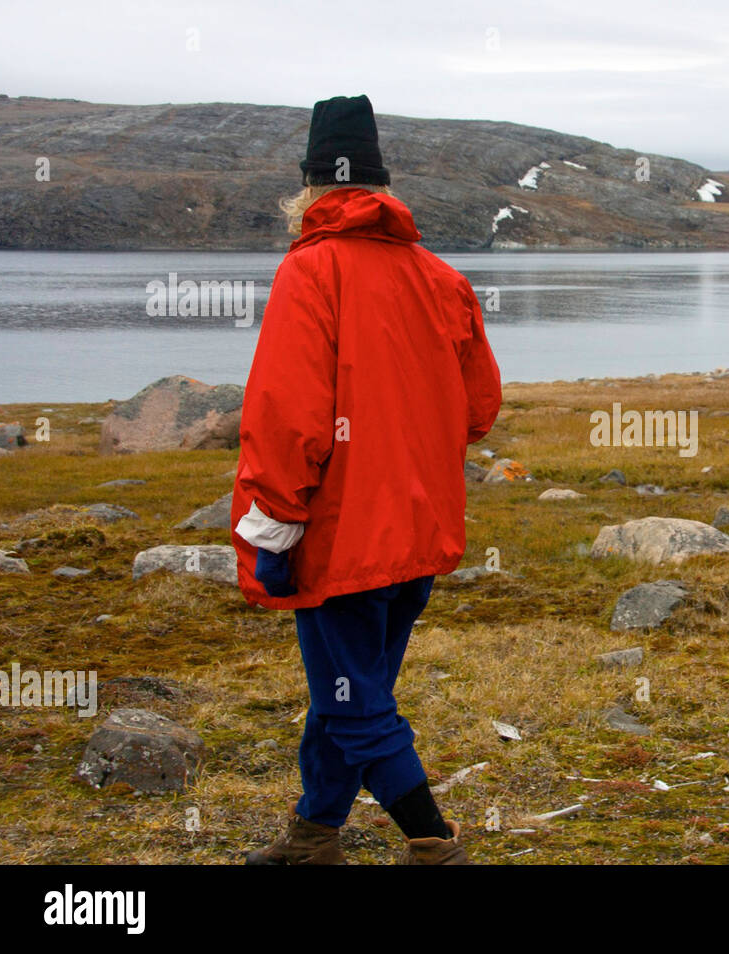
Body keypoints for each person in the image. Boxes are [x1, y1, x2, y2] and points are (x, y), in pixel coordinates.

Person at [233, 94, 502, 865]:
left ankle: (432, 841)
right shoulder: (441, 278)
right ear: (383, 190)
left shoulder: (310, 272)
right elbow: (478, 410)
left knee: (354, 704)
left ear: (310, 192)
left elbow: (290, 421)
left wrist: (273, 532)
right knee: (348, 690)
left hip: (342, 535)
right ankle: (315, 835)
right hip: (418, 532)